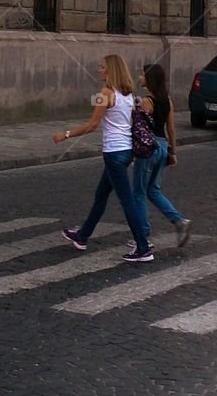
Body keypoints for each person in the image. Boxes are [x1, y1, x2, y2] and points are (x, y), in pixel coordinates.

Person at [52, 53, 153, 263]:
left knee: (127, 201)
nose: (99, 69)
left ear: (110, 70)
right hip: (124, 152)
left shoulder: (106, 93)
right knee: (101, 195)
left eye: (102, 66)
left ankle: (143, 247)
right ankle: (82, 236)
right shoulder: (128, 94)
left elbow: (92, 125)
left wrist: (66, 134)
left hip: (114, 154)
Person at [131, 63, 191, 250]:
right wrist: (173, 152)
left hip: (149, 148)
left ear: (149, 79)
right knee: (153, 190)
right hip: (163, 145)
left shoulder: (145, 102)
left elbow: (139, 129)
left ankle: (143, 235)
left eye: (142, 74)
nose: (139, 77)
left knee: (139, 192)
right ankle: (179, 221)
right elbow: (171, 129)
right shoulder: (168, 100)